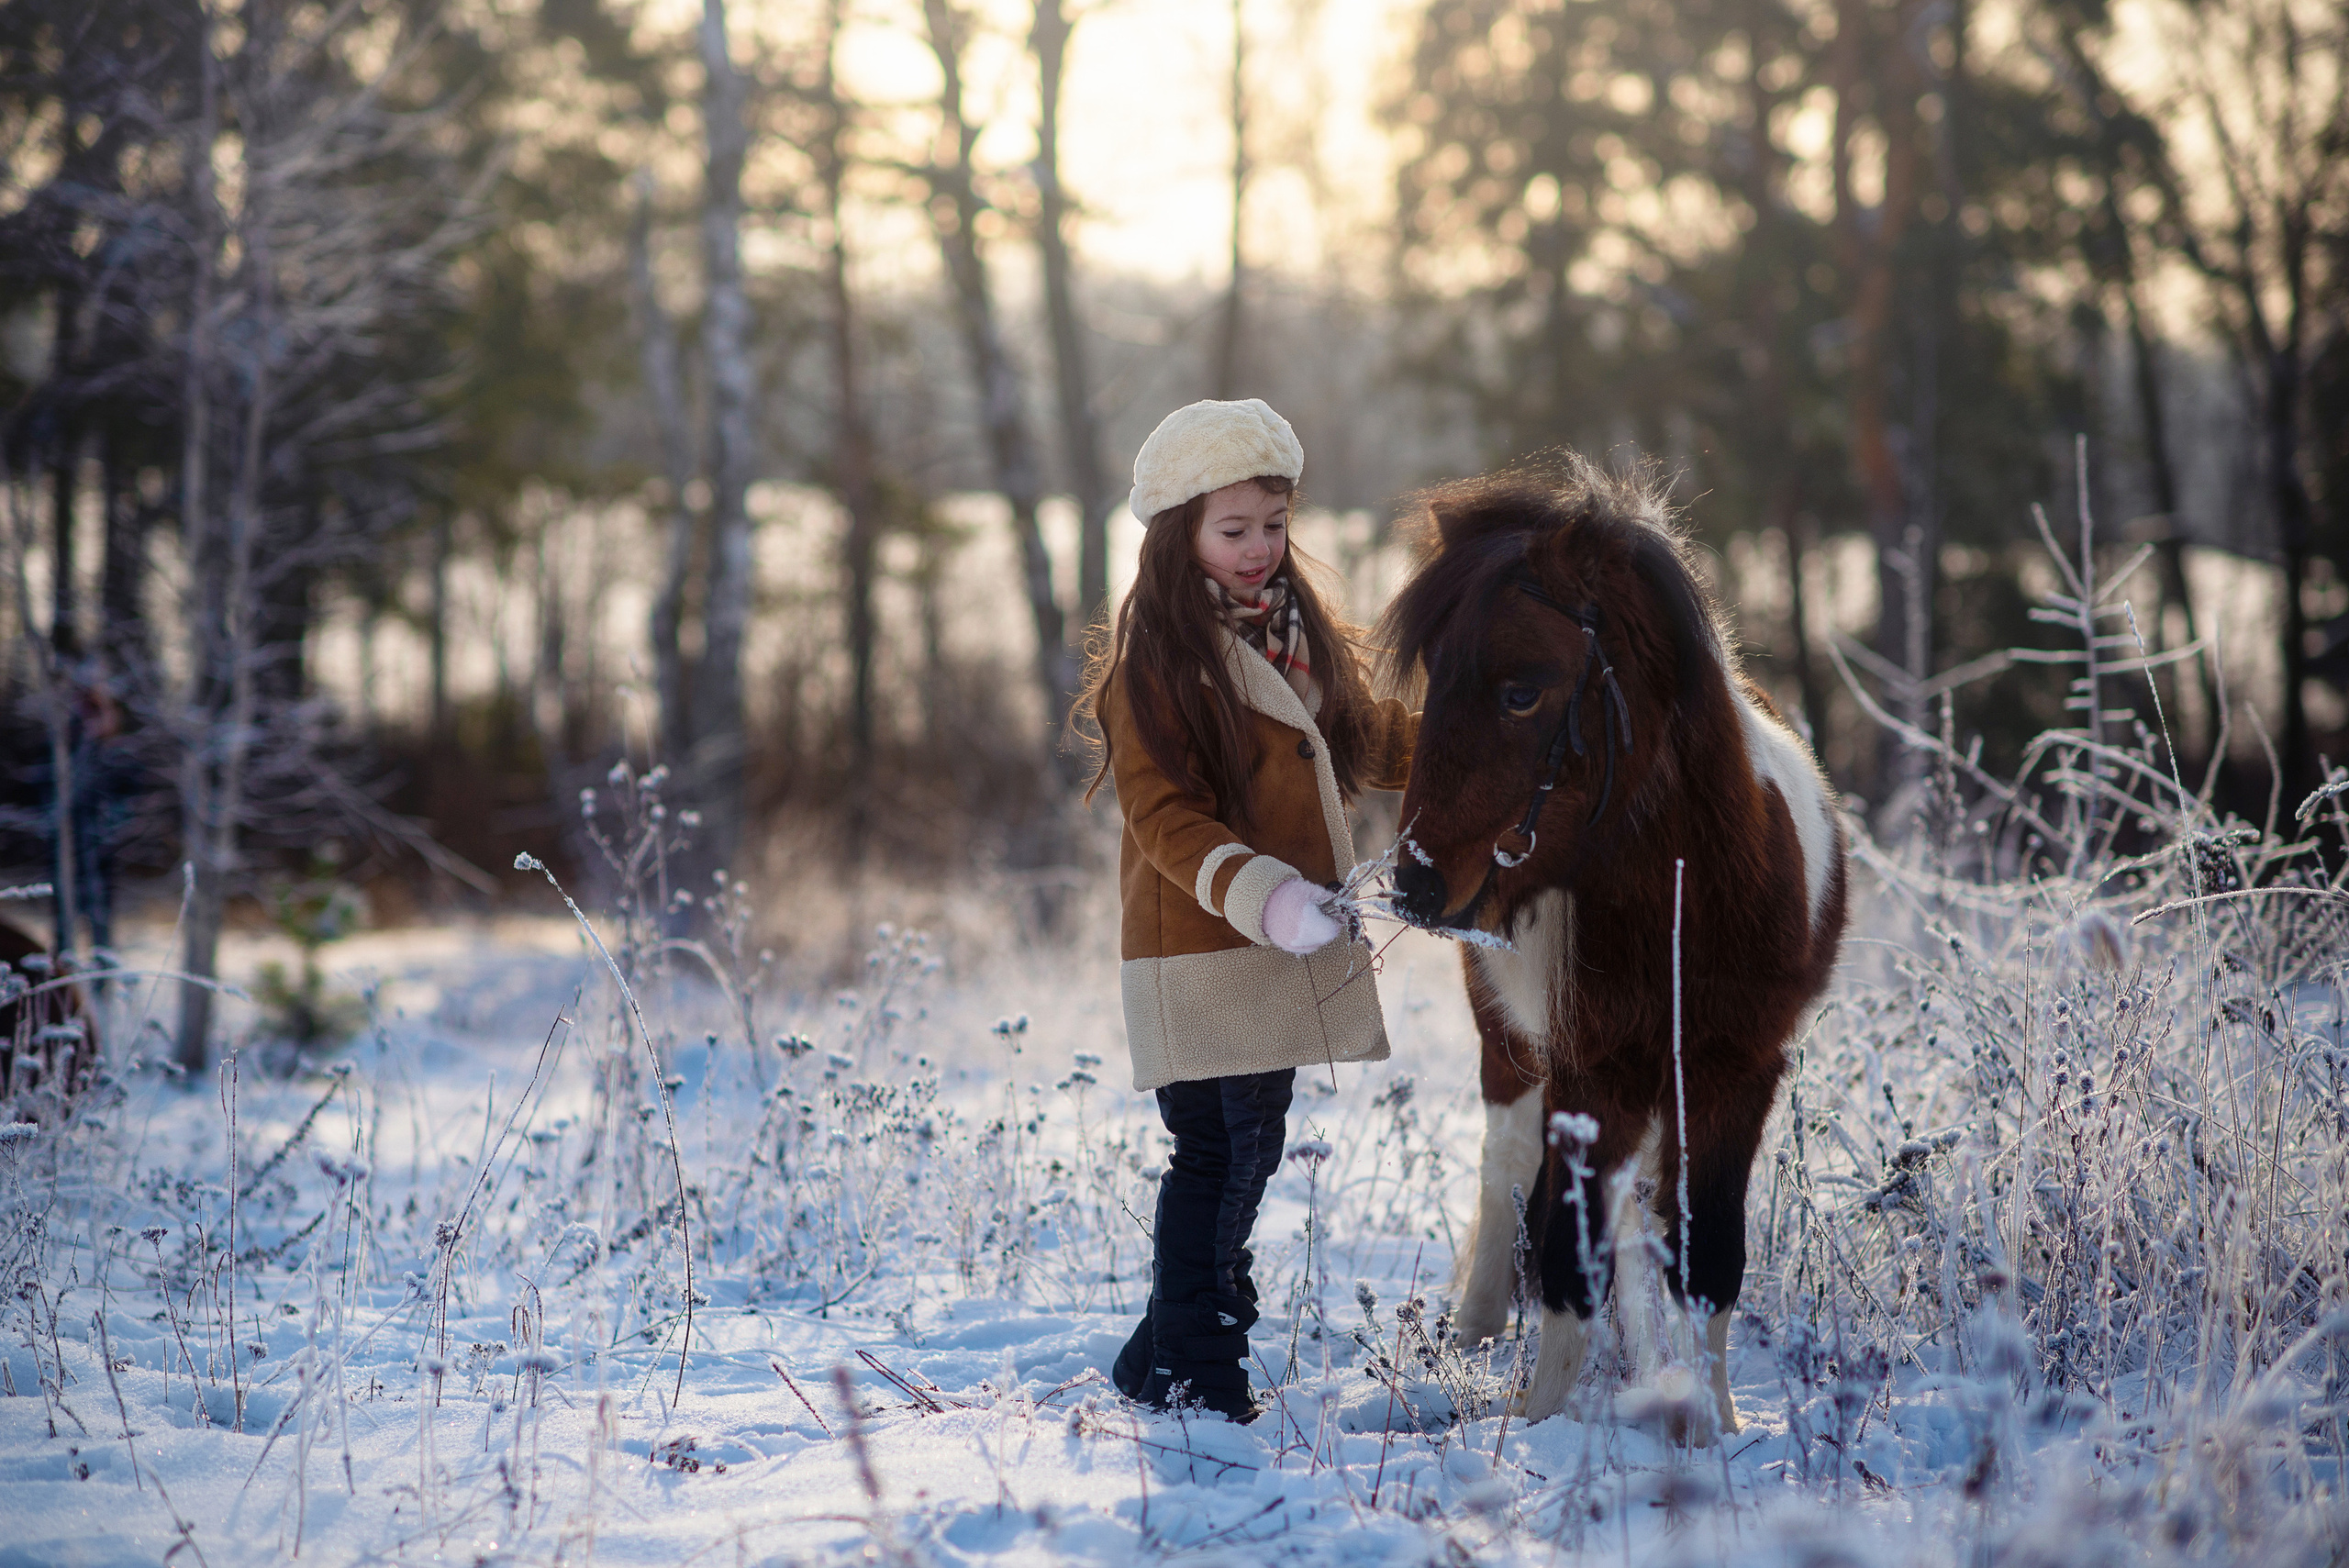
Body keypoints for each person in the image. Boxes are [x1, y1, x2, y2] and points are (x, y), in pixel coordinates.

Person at [1080, 398, 1417, 1421]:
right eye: (1233, 529)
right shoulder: (1158, 662)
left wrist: (1482, 745)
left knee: (1253, 1144)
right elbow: (1164, 818)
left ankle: (1161, 1352)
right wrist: (1266, 897)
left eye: (1274, 523)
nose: (1259, 548)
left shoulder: (1297, 638)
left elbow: (1364, 742)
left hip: (1280, 942)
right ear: (1177, 531)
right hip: (1200, 944)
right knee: (1215, 1152)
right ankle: (1199, 1365)